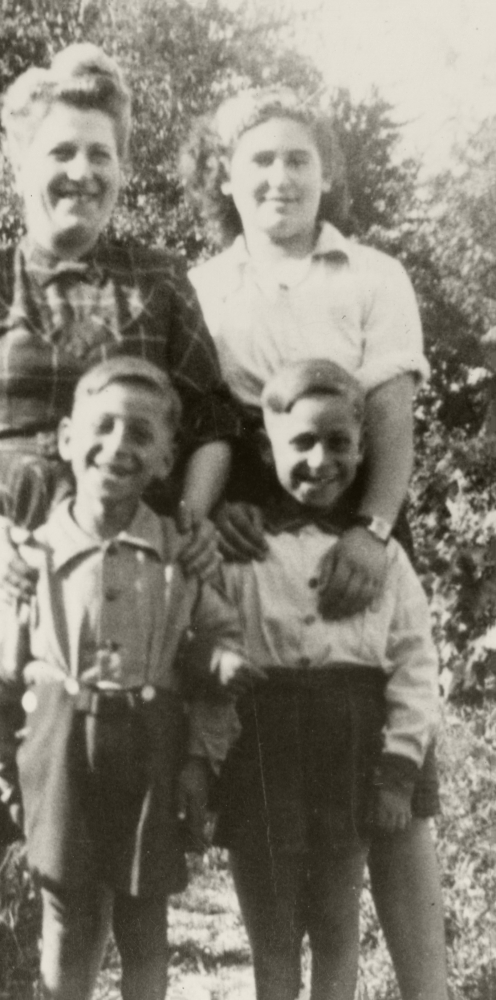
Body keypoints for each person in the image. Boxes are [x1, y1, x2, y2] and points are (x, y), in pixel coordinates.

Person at [0, 45, 240, 1000]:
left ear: (123, 167)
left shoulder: (157, 282)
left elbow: (213, 423)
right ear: (21, 164)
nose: (82, 172)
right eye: (62, 151)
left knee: (102, 822)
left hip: (122, 579)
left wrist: (190, 522)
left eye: (102, 154)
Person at [181, 87, 448, 1000]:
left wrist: (374, 534)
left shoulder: (372, 274)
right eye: (258, 161)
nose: (280, 177)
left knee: (394, 784)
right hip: (255, 531)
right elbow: (201, 428)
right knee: (274, 782)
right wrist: (215, 514)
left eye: (297, 158)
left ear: (326, 172)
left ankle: (429, 986)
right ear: (227, 179)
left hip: (359, 516)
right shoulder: (206, 286)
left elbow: (390, 425)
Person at [0, 357, 249, 1000]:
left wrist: (199, 758)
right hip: (59, 752)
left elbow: (221, 645)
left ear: (165, 459)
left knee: (144, 922)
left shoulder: (179, 555)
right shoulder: (32, 557)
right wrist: (11, 773)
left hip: (151, 751)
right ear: (68, 439)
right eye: (103, 427)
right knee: (68, 920)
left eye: (141, 434)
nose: (119, 446)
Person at [215, 358, 440, 1000]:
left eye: (339, 442)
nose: (321, 460)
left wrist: (398, 772)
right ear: (267, 448)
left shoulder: (385, 561)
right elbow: (211, 657)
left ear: (364, 447)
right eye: (302, 443)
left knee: (338, 930)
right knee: (274, 935)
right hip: (263, 753)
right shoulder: (245, 555)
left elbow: (415, 671)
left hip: (349, 758)